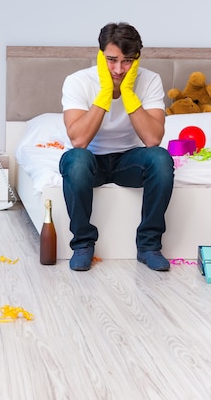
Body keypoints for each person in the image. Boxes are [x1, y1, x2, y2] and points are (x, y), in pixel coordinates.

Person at [59, 22, 174, 272]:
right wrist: (105, 92)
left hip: (129, 161)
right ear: (101, 55)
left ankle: (149, 246)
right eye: (111, 60)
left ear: (137, 59)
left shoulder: (150, 80)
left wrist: (128, 92)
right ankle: (83, 244)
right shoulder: (78, 81)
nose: (119, 69)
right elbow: (78, 140)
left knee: (161, 159)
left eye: (127, 61)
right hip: (92, 161)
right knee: (75, 159)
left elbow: (153, 139)